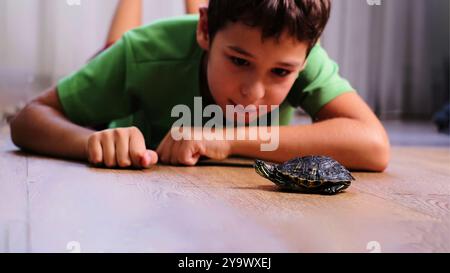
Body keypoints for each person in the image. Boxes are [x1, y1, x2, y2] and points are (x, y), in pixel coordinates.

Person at [10, 0, 390, 171]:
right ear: (205, 30)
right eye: (240, 62)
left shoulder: (298, 52)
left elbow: (372, 145)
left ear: (305, 59)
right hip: (140, 56)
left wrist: (223, 139)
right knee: (116, 43)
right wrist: (89, 142)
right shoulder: (141, 53)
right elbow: (29, 119)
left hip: (197, 42)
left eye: (280, 74)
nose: (252, 93)